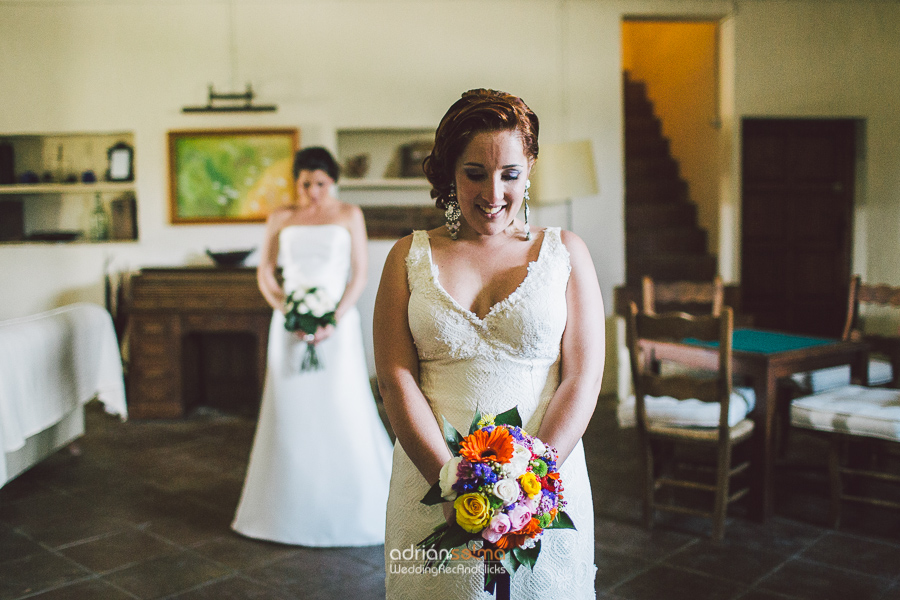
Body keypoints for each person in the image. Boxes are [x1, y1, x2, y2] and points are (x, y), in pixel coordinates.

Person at [374, 89, 605, 598]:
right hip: (427, 479)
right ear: (450, 173)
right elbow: (395, 378)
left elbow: (583, 378)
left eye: (510, 174)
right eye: (475, 173)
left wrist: (530, 485)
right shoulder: (406, 256)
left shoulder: (566, 253)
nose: (493, 193)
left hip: (546, 482)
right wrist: (448, 485)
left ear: (530, 169)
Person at [232, 146, 393, 546]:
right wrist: (287, 310)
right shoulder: (281, 216)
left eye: (321, 183)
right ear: (296, 182)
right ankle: (283, 508)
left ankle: (353, 503)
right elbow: (266, 272)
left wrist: (331, 319)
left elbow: (359, 274)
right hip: (289, 325)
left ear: (332, 181)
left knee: (341, 402)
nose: (313, 192)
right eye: (305, 184)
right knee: (289, 406)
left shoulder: (349, 214)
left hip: (337, 324)